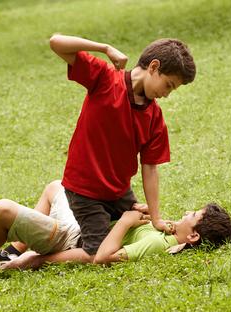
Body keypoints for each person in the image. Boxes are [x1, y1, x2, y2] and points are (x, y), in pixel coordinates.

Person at [49, 35, 196, 264]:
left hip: (120, 193)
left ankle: (24, 244)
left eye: (172, 90)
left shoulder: (155, 118)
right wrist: (105, 48)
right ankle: (32, 259)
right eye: (168, 85)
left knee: (138, 227)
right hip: (86, 191)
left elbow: (150, 169)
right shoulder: (105, 78)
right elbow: (56, 42)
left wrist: (156, 218)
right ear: (154, 67)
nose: (166, 94)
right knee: (96, 253)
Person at [0, 181, 231, 276]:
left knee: (0, 210)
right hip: (82, 226)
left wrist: (37, 261)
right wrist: (141, 214)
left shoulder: (156, 246)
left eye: (192, 215)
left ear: (194, 235)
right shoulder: (168, 235)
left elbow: (100, 256)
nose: (186, 212)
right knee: (58, 186)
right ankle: (12, 249)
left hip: (72, 240)